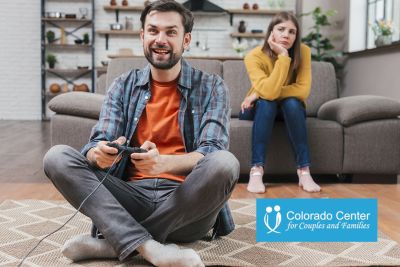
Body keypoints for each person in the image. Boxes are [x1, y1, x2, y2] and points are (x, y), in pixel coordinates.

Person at [43, 1, 239, 266]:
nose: (161, 39)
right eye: (153, 31)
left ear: (186, 39)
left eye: (171, 32)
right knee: (57, 157)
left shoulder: (212, 86)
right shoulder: (122, 85)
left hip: (187, 206)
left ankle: (116, 244)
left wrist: (164, 163)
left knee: (226, 162)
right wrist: (98, 154)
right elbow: (99, 140)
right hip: (130, 199)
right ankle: (149, 247)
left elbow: (212, 150)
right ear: (142, 36)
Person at [239, 12, 321, 194]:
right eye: (281, 29)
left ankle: (304, 171)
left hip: (286, 108)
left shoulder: (304, 52)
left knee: (292, 102)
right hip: (256, 108)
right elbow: (269, 93)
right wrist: (283, 56)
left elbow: (302, 90)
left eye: (292, 32)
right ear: (271, 32)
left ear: (296, 36)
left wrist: (258, 92)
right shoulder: (254, 56)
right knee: (267, 102)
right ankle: (256, 170)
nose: (286, 35)